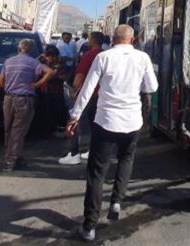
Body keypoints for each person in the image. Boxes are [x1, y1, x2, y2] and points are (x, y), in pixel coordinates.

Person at [66, 25, 158, 242]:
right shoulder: (142, 57)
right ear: (132, 39)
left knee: (97, 173)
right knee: (126, 159)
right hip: (132, 121)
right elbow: (152, 87)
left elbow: (87, 89)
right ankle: (116, 201)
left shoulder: (103, 57)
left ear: (113, 39)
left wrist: (75, 116)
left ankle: (89, 226)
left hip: (106, 121)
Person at [0, 39, 54, 172]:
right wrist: (37, 84)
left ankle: (14, 156)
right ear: (31, 50)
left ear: (18, 48)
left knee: (9, 129)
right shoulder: (34, 63)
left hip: (8, 98)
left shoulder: (8, 62)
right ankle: (11, 161)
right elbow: (50, 72)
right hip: (24, 99)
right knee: (19, 130)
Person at [59, 31, 106, 165]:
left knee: (75, 121)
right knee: (96, 125)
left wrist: (74, 91)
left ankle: (74, 153)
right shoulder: (106, 55)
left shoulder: (89, 55)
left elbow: (79, 76)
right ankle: (93, 150)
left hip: (87, 95)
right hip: (101, 96)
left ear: (92, 41)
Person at [37, 45, 70, 136]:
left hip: (57, 93)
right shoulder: (42, 65)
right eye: (48, 56)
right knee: (45, 112)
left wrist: (50, 76)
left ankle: (59, 129)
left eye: (53, 56)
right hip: (44, 93)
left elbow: (63, 77)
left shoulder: (62, 66)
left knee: (58, 111)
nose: (51, 58)